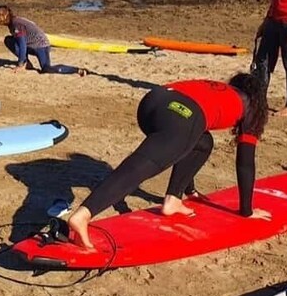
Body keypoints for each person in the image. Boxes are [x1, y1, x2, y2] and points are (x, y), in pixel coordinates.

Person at [65, 74, 272, 250]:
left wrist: (189, 189)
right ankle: (83, 214)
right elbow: (245, 163)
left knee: (202, 142)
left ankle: (174, 199)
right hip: (183, 114)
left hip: (154, 101)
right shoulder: (251, 107)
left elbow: (188, 144)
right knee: (143, 164)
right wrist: (247, 211)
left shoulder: (219, 89)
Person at [0, 5, 86, 76]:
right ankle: (26, 63)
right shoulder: (12, 23)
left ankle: (77, 70)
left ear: (3, 16)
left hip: (41, 46)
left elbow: (22, 44)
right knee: (9, 40)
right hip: (30, 44)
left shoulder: (17, 24)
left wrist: (20, 64)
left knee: (46, 69)